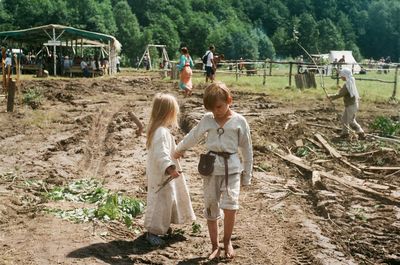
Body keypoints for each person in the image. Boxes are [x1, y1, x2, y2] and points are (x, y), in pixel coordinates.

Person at [174, 82, 253, 259]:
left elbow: (247, 150)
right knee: (211, 207)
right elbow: (194, 136)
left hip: (232, 169)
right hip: (210, 168)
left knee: (231, 207)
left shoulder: (240, 122)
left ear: (229, 100)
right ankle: (214, 246)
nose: (216, 111)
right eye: (212, 108)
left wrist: (247, 175)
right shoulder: (207, 119)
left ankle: (227, 241)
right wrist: (179, 149)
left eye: (219, 106)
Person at [145, 93, 196, 246]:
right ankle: (152, 232)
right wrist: (170, 169)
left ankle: (163, 226)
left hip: (163, 175)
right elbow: (161, 154)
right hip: (162, 175)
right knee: (159, 203)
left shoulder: (160, 131)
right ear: (168, 113)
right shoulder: (160, 132)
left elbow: (166, 150)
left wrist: (177, 152)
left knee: (168, 201)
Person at [328, 68, 365, 139]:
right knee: (344, 119)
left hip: (351, 105)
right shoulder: (350, 81)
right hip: (350, 104)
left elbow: (340, 94)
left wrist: (330, 96)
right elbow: (345, 91)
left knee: (351, 121)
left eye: (342, 75)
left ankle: (360, 132)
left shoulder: (348, 84)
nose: (341, 77)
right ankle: (345, 133)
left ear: (345, 76)